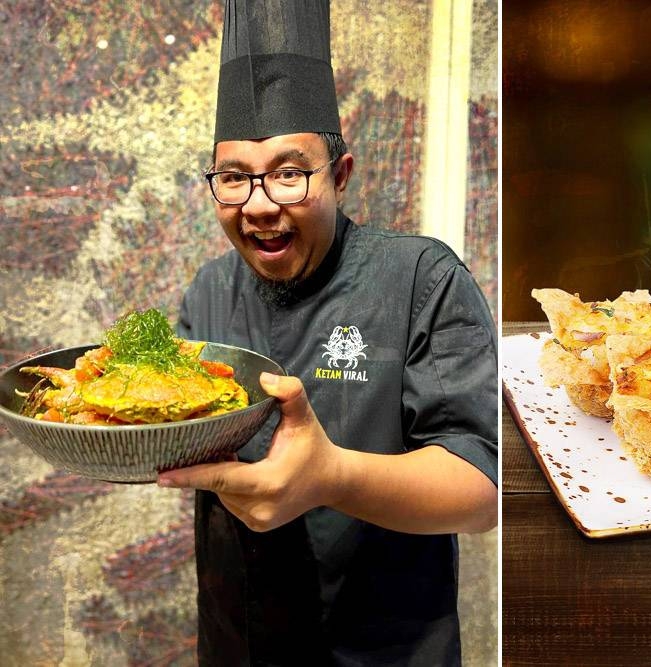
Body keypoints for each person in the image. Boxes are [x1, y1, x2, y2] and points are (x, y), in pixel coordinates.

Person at [154, 1, 498, 664]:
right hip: (237, 642)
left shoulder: (421, 277)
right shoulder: (207, 291)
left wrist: (331, 474)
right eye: (233, 178)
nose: (258, 203)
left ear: (340, 175)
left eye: (288, 172)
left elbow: (481, 490)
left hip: (385, 649)